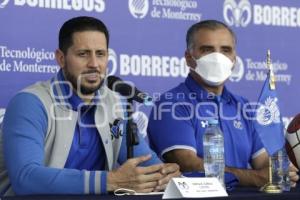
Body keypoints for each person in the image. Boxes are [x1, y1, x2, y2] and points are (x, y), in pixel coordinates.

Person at [0, 16, 180, 196]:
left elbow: (146, 162)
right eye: (83, 54)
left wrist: (164, 174)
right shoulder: (31, 102)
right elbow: (26, 178)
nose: (94, 64)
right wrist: (110, 181)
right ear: (61, 58)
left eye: (100, 54)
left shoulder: (116, 103)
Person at [147, 19, 299, 187]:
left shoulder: (243, 107)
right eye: (207, 50)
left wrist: (282, 171)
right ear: (189, 58)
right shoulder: (171, 105)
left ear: (234, 59)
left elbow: (264, 163)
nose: (218, 57)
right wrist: (256, 177)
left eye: (225, 50)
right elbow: (187, 164)